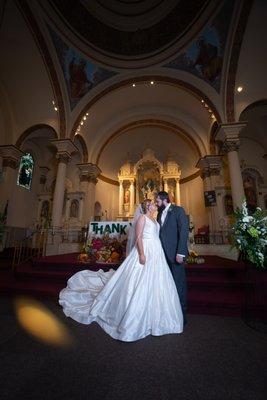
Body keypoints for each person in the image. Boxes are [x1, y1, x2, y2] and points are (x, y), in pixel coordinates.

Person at [59, 199, 183, 342]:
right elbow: (138, 237)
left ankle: (158, 318)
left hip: (157, 253)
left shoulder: (154, 220)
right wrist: (142, 254)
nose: (156, 205)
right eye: (154, 204)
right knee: (139, 281)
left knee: (158, 282)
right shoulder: (142, 218)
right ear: (148, 206)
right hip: (146, 251)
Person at [156, 191, 189, 323]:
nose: (156, 204)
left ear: (164, 200)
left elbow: (184, 230)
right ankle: (169, 316)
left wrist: (181, 252)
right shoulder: (159, 214)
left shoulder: (178, 210)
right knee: (166, 286)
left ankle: (182, 317)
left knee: (179, 286)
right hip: (162, 257)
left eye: (157, 201)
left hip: (175, 255)